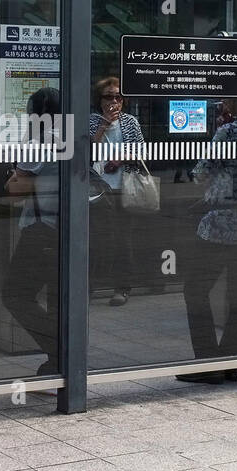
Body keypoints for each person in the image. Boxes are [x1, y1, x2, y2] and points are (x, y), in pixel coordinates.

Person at [180, 72, 237, 384]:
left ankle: (208, 362)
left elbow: (200, 174)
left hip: (221, 225)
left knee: (195, 289)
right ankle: (232, 362)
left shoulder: (229, 131)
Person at [2, 87, 61, 376]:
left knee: (15, 294)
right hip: (70, 229)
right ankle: (60, 361)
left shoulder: (39, 142)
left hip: (42, 231)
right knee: (59, 297)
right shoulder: (77, 138)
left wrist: (13, 175)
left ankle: (60, 351)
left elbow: (16, 191)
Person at [88, 76, 144, 306]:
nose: (114, 101)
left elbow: (141, 152)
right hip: (97, 189)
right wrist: (103, 126)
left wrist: (120, 159)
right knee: (97, 240)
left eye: (118, 97)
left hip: (124, 187)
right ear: (100, 100)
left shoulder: (130, 122)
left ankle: (122, 287)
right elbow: (87, 151)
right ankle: (88, 286)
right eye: (109, 96)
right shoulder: (92, 120)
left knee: (123, 239)